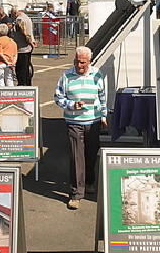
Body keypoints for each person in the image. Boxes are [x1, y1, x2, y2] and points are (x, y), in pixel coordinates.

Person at [53, 47, 107, 210]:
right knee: (77, 157)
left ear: (89, 61)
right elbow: (58, 97)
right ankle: (76, 194)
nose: (79, 65)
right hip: (74, 121)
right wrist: (71, 104)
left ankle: (90, 181)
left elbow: (102, 96)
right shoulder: (66, 76)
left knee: (91, 154)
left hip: (94, 121)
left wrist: (103, 115)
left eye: (82, 62)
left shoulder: (98, 74)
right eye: (76, 61)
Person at [12, 7, 37, 86]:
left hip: (22, 47)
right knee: (26, 67)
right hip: (28, 47)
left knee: (21, 68)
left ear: (15, 13)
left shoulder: (19, 19)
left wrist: (29, 41)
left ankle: (22, 85)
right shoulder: (27, 17)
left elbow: (24, 31)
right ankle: (28, 84)